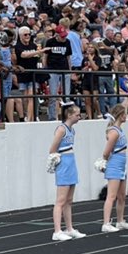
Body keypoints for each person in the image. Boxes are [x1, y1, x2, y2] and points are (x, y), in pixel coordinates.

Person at [49, 102, 85, 241]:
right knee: (60, 200)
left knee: (69, 200)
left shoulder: (72, 130)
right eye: (77, 115)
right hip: (64, 164)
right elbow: (52, 149)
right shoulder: (61, 129)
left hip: (71, 163)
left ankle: (69, 229)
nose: (79, 117)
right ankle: (57, 231)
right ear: (69, 115)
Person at [100, 103, 128, 232]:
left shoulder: (119, 130)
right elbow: (106, 152)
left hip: (122, 164)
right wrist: (104, 162)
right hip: (115, 164)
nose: (127, 116)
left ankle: (120, 221)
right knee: (111, 195)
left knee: (122, 196)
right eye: (125, 114)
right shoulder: (114, 132)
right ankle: (106, 223)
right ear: (120, 115)